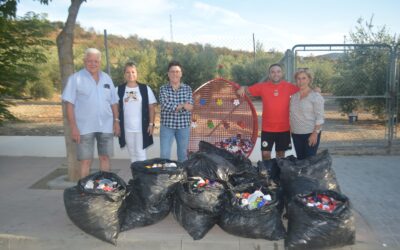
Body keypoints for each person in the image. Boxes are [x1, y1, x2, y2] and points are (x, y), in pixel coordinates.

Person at [62, 48, 120, 178]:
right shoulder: (75, 79)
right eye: (90, 61)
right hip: (84, 127)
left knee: (105, 158)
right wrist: (74, 127)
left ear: (100, 62)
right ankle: (84, 192)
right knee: (85, 161)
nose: (93, 64)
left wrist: (116, 122)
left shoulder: (107, 78)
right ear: (84, 61)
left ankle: (105, 187)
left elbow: (114, 102)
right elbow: (69, 105)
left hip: (106, 126)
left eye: (96, 61)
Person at [237, 63, 299, 160]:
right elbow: (247, 90)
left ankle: (277, 174)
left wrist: (316, 89)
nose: (276, 74)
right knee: (265, 154)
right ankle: (268, 173)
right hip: (267, 128)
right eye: (273, 72)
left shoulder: (289, 86)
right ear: (269, 74)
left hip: (284, 128)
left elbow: (304, 88)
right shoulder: (262, 86)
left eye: (278, 72)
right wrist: (242, 87)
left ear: (282, 73)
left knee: (280, 154)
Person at [116, 62, 157, 163]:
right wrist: (116, 123)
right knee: (132, 153)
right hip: (126, 127)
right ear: (124, 74)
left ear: (137, 73)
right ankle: (136, 176)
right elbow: (115, 108)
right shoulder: (118, 89)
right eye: (128, 72)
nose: (130, 74)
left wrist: (151, 124)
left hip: (141, 127)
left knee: (140, 152)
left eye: (133, 72)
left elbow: (152, 107)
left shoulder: (145, 88)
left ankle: (142, 177)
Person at [159, 61, 193, 162]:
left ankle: (181, 176)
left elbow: (190, 107)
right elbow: (165, 105)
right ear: (168, 74)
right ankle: (164, 176)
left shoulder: (187, 89)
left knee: (183, 155)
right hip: (167, 126)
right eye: (172, 71)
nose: (175, 74)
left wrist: (176, 107)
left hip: (183, 127)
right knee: (164, 155)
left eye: (177, 71)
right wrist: (182, 105)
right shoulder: (163, 89)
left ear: (181, 73)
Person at [290, 69, 324, 160]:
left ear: (309, 79)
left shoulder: (315, 96)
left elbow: (320, 118)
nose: (301, 81)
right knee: (300, 161)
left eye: (304, 78)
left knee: (309, 162)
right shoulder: (293, 96)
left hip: (310, 133)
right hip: (296, 133)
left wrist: (315, 134)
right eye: (298, 79)